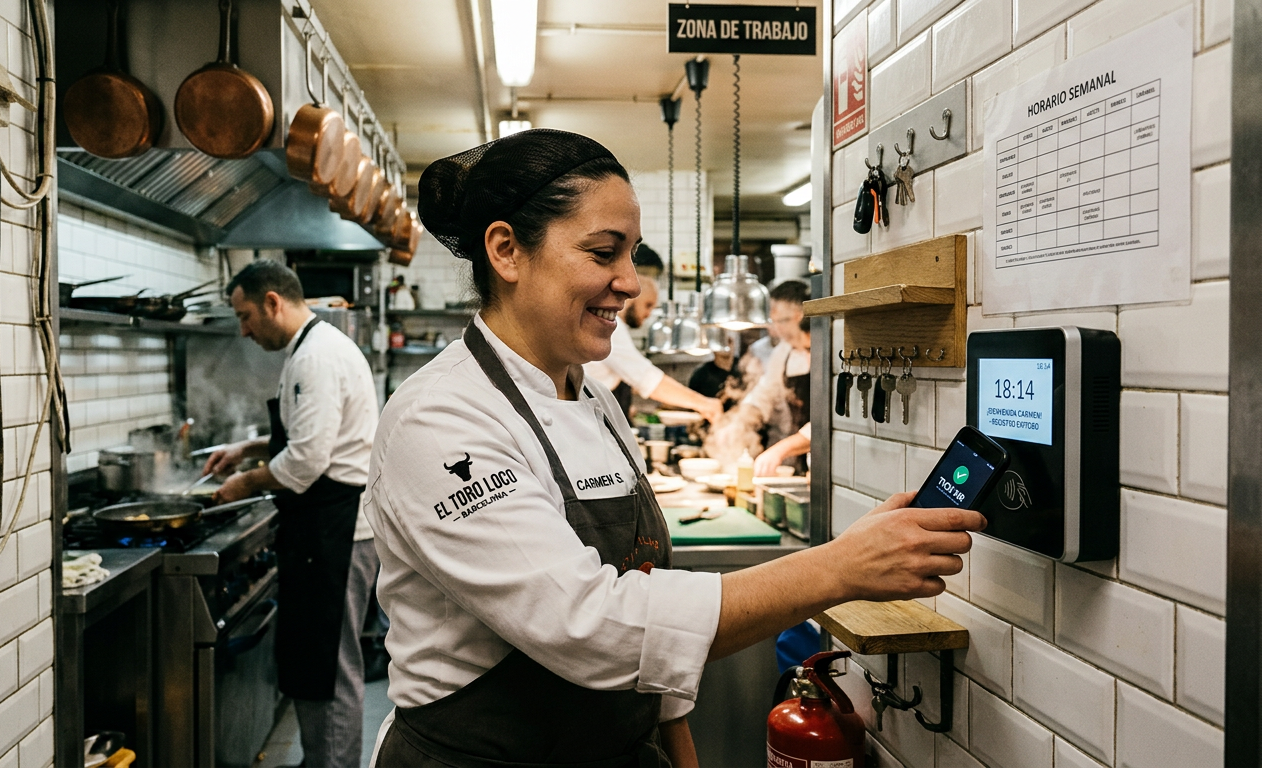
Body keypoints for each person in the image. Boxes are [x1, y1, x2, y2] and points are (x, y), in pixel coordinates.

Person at [362, 129, 984, 767]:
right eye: (604, 253)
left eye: (630, 255)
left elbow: (644, 596)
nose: (629, 283)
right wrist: (837, 568)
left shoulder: (596, 401)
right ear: (506, 250)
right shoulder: (439, 417)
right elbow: (593, 627)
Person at [204, 261, 380, 768]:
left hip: (337, 528)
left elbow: (305, 461)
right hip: (331, 525)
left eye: (245, 316)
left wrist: (244, 482)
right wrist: (249, 448)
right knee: (321, 659)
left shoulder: (315, 357)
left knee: (327, 663)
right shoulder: (316, 347)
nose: (243, 329)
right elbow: (308, 435)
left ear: (273, 302)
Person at [583, 245, 723, 422]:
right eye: (648, 304)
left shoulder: (612, 326)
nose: (649, 314)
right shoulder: (612, 328)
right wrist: (704, 404)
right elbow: (646, 379)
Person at [740, 280, 813, 477]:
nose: (773, 328)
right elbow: (765, 393)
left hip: (823, 458)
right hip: (794, 461)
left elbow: (826, 421)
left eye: (778, 320)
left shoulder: (826, 350)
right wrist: (740, 422)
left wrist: (781, 449)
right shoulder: (783, 351)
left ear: (798, 317)